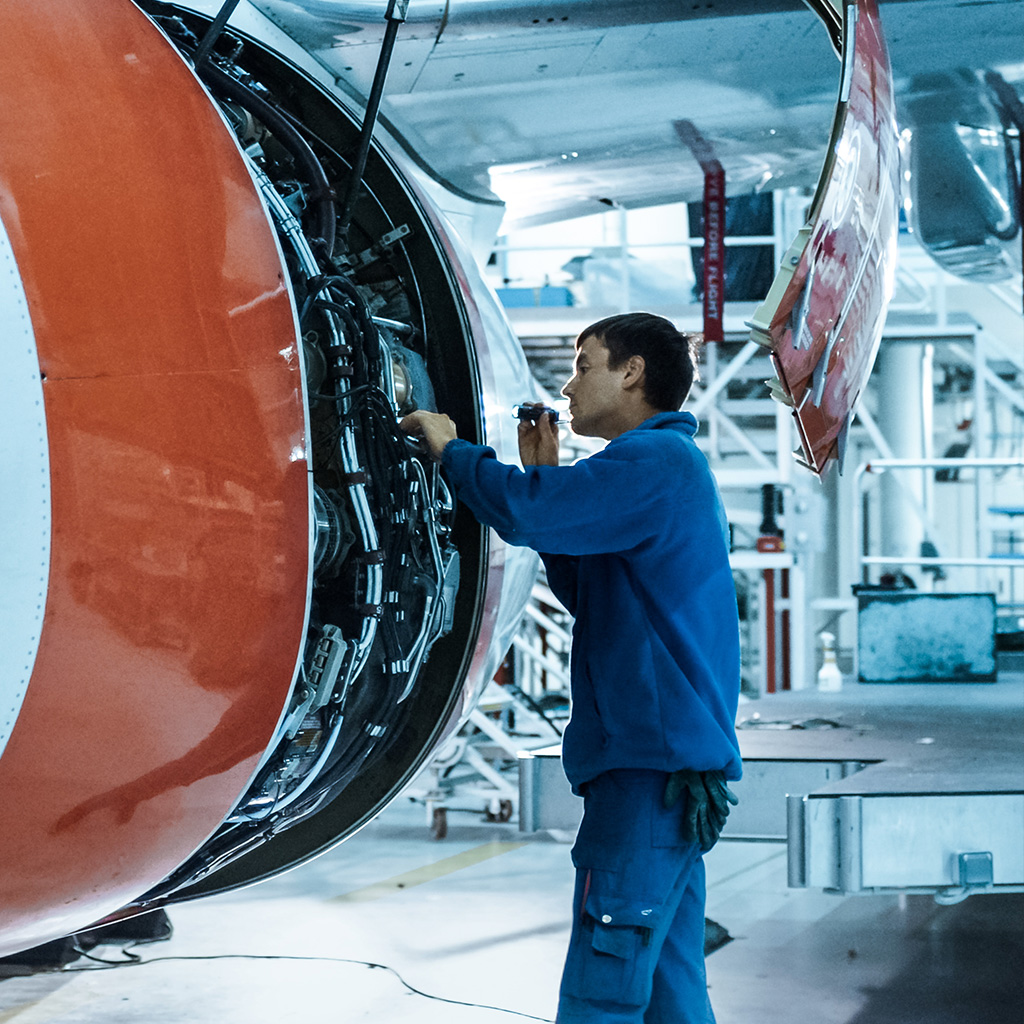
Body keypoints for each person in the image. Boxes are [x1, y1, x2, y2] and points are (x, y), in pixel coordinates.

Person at [401, 312, 742, 1024]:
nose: (568, 386)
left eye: (585, 366)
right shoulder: (660, 467)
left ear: (633, 373)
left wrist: (452, 452)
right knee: (670, 987)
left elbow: (525, 516)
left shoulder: (653, 461)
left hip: (647, 774)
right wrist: (545, 479)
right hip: (663, 773)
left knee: (603, 987)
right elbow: (587, 585)